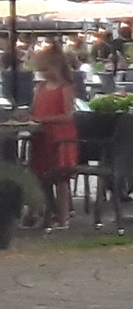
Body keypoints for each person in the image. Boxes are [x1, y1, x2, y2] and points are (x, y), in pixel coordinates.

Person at [28, 45, 79, 227]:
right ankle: (43, 213)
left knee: (61, 178)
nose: (44, 73)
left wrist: (44, 119)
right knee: (40, 176)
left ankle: (63, 216)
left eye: (46, 69)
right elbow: (35, 110)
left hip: (60, 136)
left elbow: (68, 115)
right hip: (42, 136)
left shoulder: (65, 88)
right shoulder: (40, 87)